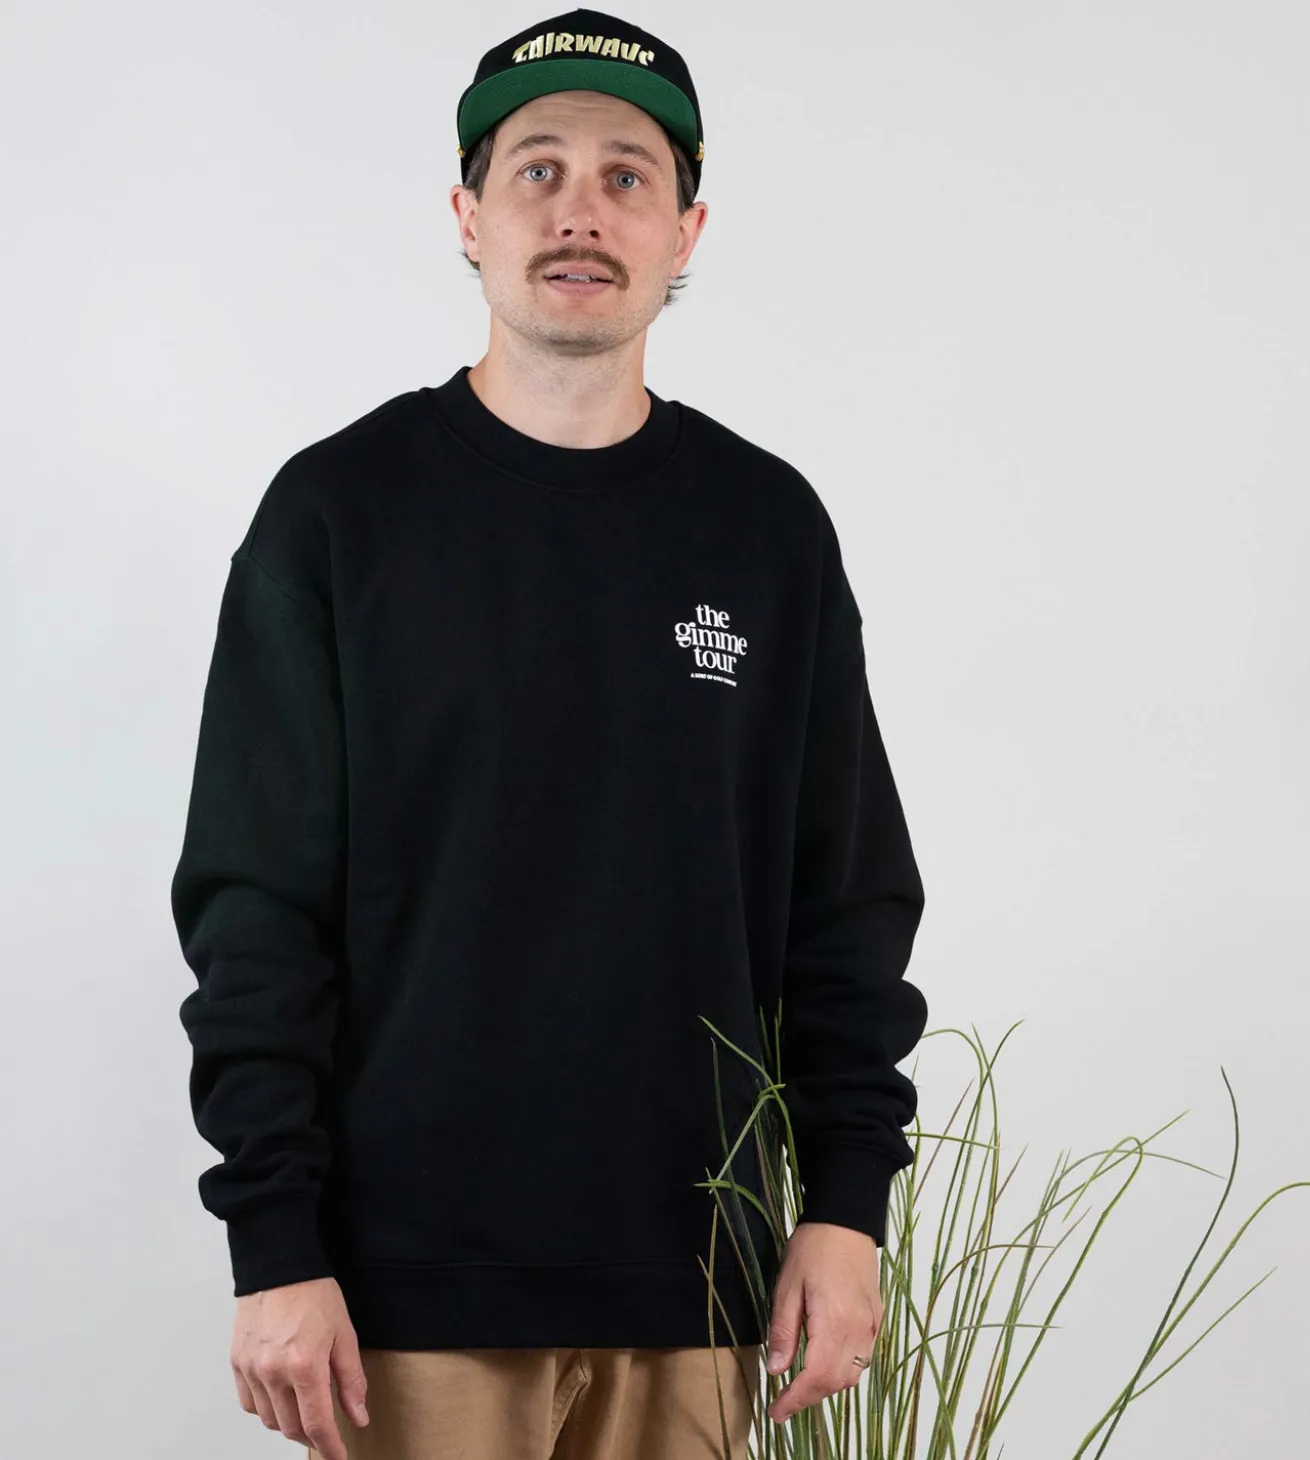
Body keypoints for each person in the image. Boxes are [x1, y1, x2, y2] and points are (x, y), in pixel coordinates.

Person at [169, 8, 929, 1458]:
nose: (581, 211)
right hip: (405, 1292)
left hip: (703, 1285)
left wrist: (845, 1208)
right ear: (468, 215)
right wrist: (273, 1241)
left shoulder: (768, 530)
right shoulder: (339, 516)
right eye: (539, 170)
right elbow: (254, 910)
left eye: (628, 176)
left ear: (686, 228)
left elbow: (844, 904)